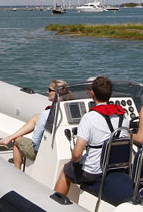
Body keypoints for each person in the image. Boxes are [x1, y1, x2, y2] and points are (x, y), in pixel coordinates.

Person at [52, 75, 129, 203]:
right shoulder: (123, 115)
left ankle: (56, 203)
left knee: (67, 169)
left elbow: (77, 154)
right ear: (110, 94)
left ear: (92, 93)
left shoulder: (89, 118)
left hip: (93, 172)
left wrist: (74, 161)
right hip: (115, 168)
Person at [0, 80, 69, 169]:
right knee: (36, 117)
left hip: (42, 151)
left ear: (56, 93)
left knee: (18, 140)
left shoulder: (47, 114)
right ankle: (9, 137)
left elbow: (35, 141)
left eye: (49, 90)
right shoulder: (66, 111)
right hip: (63, 149)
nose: (47, 92)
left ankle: (17, 171)